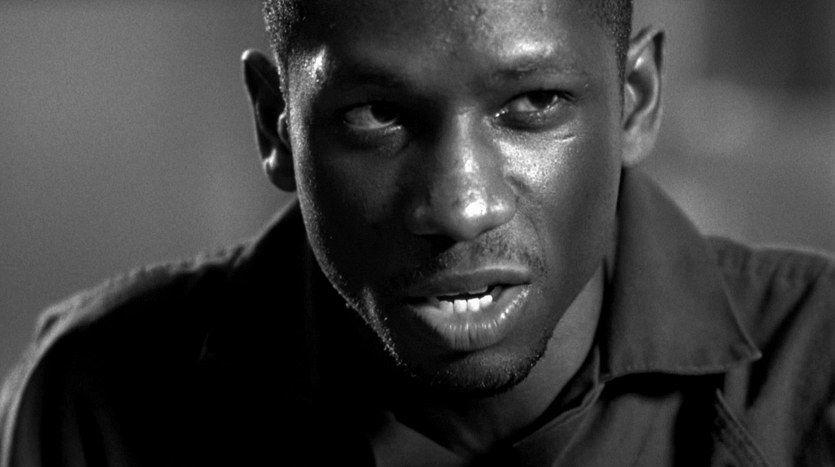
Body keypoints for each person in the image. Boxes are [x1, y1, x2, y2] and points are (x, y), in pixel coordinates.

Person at [2, 0, 834, 465]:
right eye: (377, 114)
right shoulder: (92, 396)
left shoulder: (818, 369)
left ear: (634, 101)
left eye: (533, 103)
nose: (460, 207)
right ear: (274, 123)